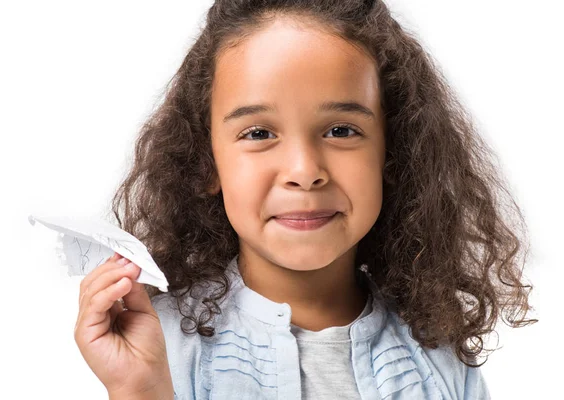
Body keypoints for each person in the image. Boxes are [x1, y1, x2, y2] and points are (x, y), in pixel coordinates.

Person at [74, 1, 537, 399]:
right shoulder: (158, 345)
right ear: (205, 163)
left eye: (341, 130)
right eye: (258, 133)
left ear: (392, 153)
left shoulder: (438, 356)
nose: (304, 171)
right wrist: (137, 391)